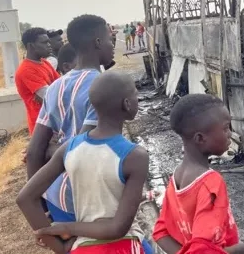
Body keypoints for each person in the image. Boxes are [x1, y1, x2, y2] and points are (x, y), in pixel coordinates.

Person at [17, 71, 149, 254]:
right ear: (127, 104)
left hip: (82, 248)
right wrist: (67, 228)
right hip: (122, 247)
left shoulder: (69, 148)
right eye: (135, 94)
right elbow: (117, 228)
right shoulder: (135, 156)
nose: (138, 98)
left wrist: (61, 247)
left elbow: (24, 198)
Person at [26, 14, 115, 225]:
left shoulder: (56, 87)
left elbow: (34, 151)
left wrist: (39, 203)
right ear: (98, 42)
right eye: (110, 40)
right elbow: (79, 149)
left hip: (57, 196)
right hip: (91, 200)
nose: (113, 46)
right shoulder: (103, 86)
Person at [152, 95, 244, 254]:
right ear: (200, 138)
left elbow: (161, 233)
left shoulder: (177, 177)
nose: (230, 133)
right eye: (225, 128)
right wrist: (241, 250)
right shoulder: (210, 183)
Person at [15, 27, 60, 135]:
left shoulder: (45, 63)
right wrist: (53, 90)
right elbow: (50, 97)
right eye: (44, 43)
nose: (49, 45)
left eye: (49, 42)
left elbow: (61, 85)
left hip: (54, 122)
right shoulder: (26, 70)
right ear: (31, 46)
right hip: (42, 128)